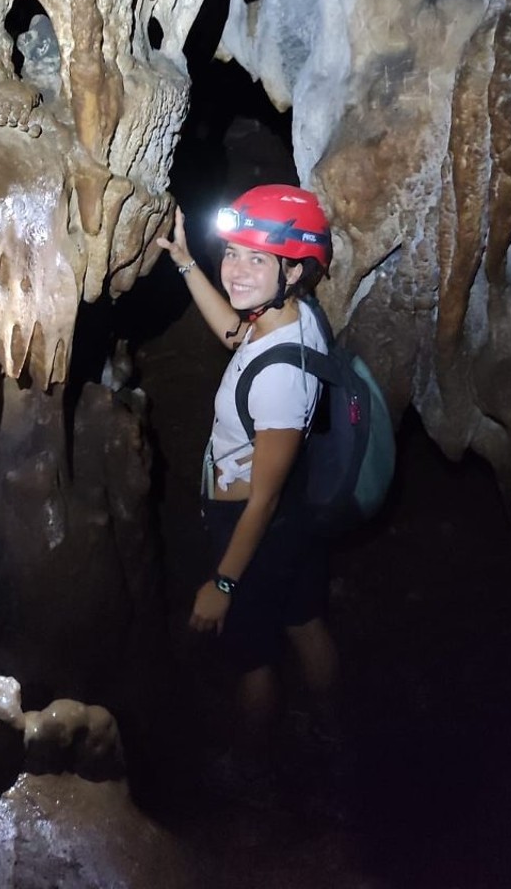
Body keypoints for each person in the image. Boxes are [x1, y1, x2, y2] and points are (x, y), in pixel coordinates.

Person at [156, 184, 339, 770]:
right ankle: (329, 727)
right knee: (303, 617)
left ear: (293, 271)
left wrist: (224, 585)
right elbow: (237, 335)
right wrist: (187, 262)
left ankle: (248, 768)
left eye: (257, 259)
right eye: (233, 253)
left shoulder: (281, 379)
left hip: (252, 526)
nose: (235, 270)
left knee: (251, 658)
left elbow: (263, 499)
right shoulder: (291, 318)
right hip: (295, 516)